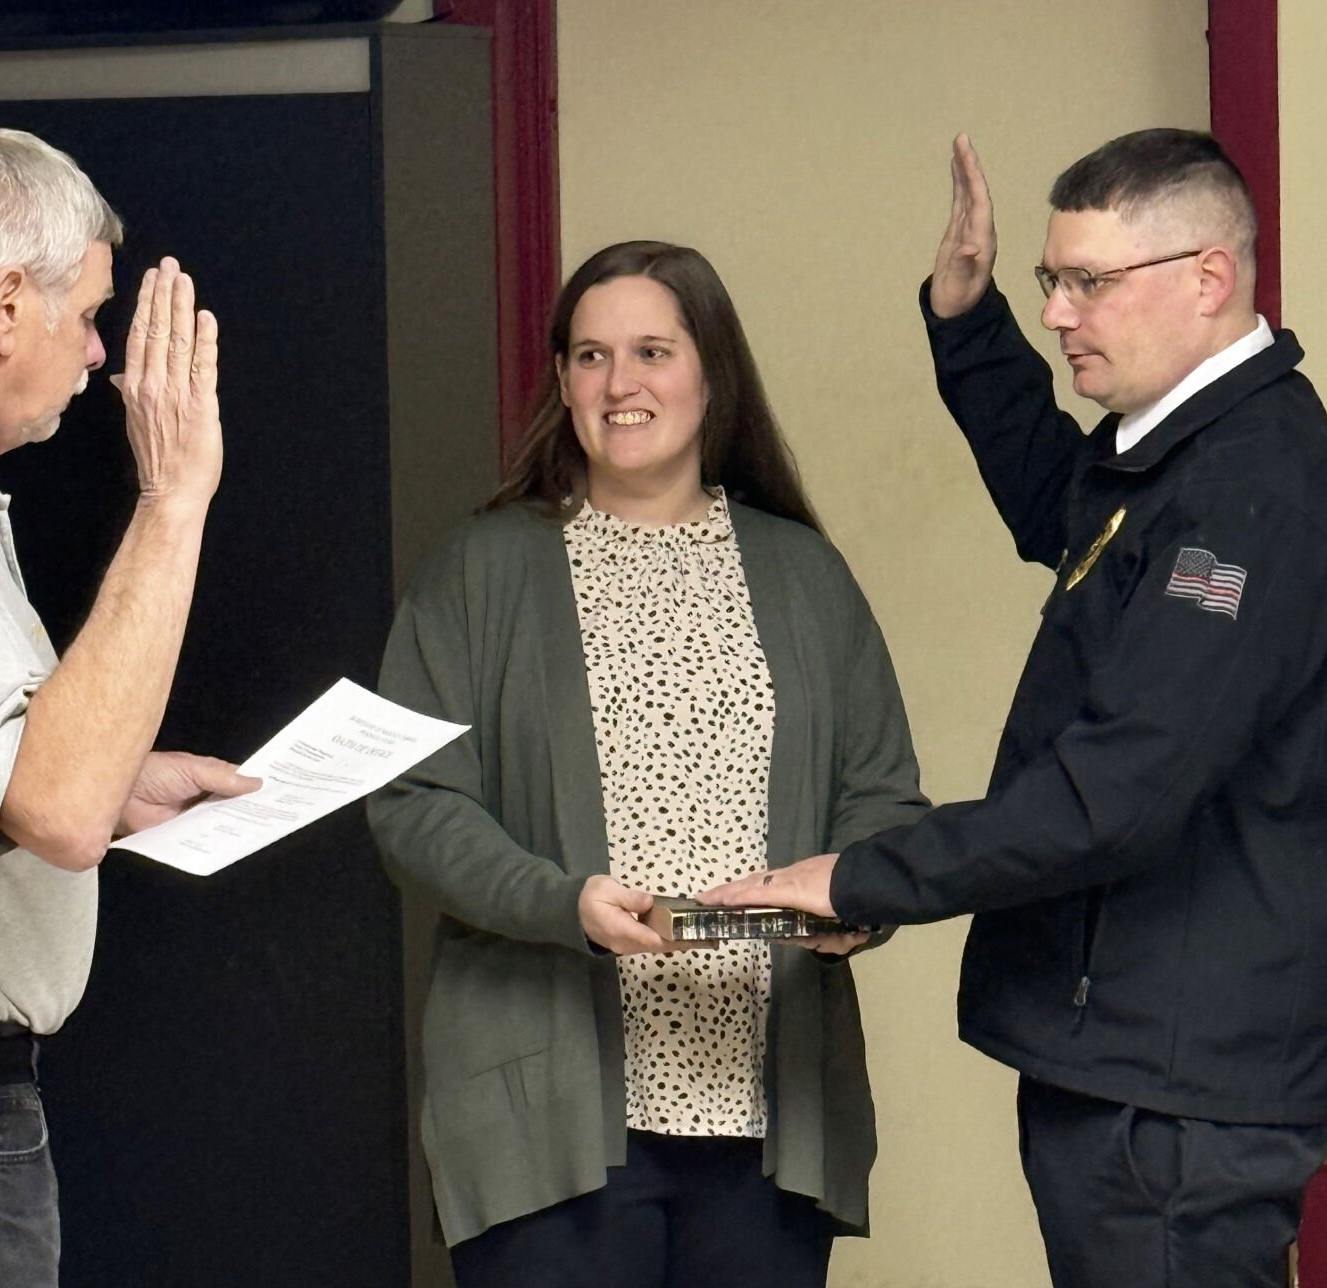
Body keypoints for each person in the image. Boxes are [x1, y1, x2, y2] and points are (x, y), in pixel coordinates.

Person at [704, 130, 1327, 1287]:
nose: (1063, 312)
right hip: (1135, 1065)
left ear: (1208, 278)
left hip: (1175, 1088)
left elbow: (1119, 789)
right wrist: (968, 324)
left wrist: (863, 874)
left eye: (1090, 284)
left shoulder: (1247, 490)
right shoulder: (1177, 454)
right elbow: (1064, 510)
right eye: (1050, 282)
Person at [368, 240, 927, 1288]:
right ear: (562, 381)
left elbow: (883, 797)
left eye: (651, 351)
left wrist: (860, 892)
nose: (619, 384)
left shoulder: (805, 575)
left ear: (710, 373)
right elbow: (414, 803)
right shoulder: (481, 571)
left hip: (764, 1117)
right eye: (589, 355)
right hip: (550, 1120)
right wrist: (560, 900)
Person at [0, 127, 256, 1286]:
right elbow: (60, 812)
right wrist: (174, 497)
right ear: (4, 305)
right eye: (85, 313)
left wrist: (116, 778)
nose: (97, 354)